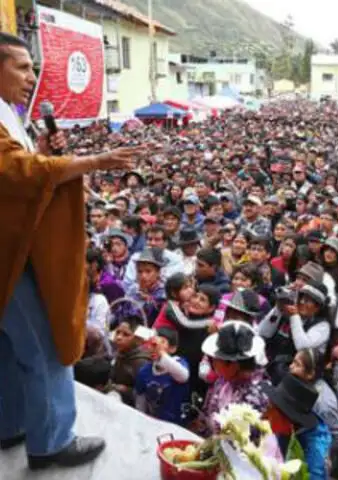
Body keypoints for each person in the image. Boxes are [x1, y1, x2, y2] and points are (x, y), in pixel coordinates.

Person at [0, 32, 141, 469]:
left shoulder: (9, 117)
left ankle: (11, 425)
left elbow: (18, 172)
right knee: (44, 348)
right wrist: (94, 162)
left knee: (10, 347)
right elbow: (19, 170)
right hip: (13, 258)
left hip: (14, 250)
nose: (32, 77)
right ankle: (53, 441)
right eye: (22, 67)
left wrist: (41, 151)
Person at [264, 373, 332, 480]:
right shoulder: (287, 428)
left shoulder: (315, 452)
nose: (266, 414)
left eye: (271, 408)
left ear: (287, 418)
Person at [134, 328, 190, 426]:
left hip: (176, 424)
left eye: (162, 342)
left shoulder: (180, 363)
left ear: (173, 348)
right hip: (153, 422)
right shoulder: (144, 371)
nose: (156, 346)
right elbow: (140, 401)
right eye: (154, 342)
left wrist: (161, 354)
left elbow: (183, 376)